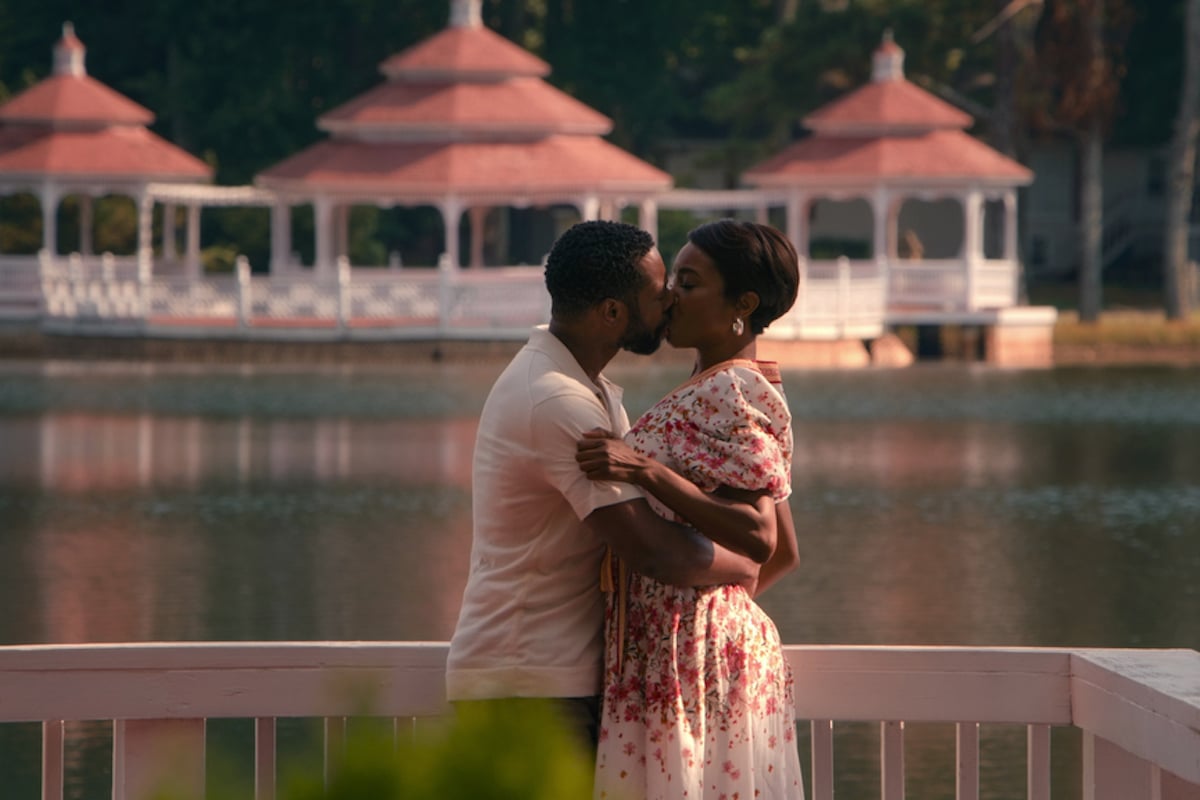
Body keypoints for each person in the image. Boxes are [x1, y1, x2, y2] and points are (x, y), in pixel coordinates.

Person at [445, 220, 763, 755]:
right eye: (658, 292)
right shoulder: (557, 401)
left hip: (542, 678)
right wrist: (745, 560)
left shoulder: (583, 388)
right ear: (614, 313)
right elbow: (652, 551)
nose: (669, 302)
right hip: (526, 684)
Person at [575, 218, 805, 799]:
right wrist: (716, 598)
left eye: (691, 281)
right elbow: (784, 553)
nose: (671, 294)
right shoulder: (716, 384)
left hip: (688, 654)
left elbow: (761, 538)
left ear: (742, 304)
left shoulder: (731, 391)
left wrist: (644, 470)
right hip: (682, 646)